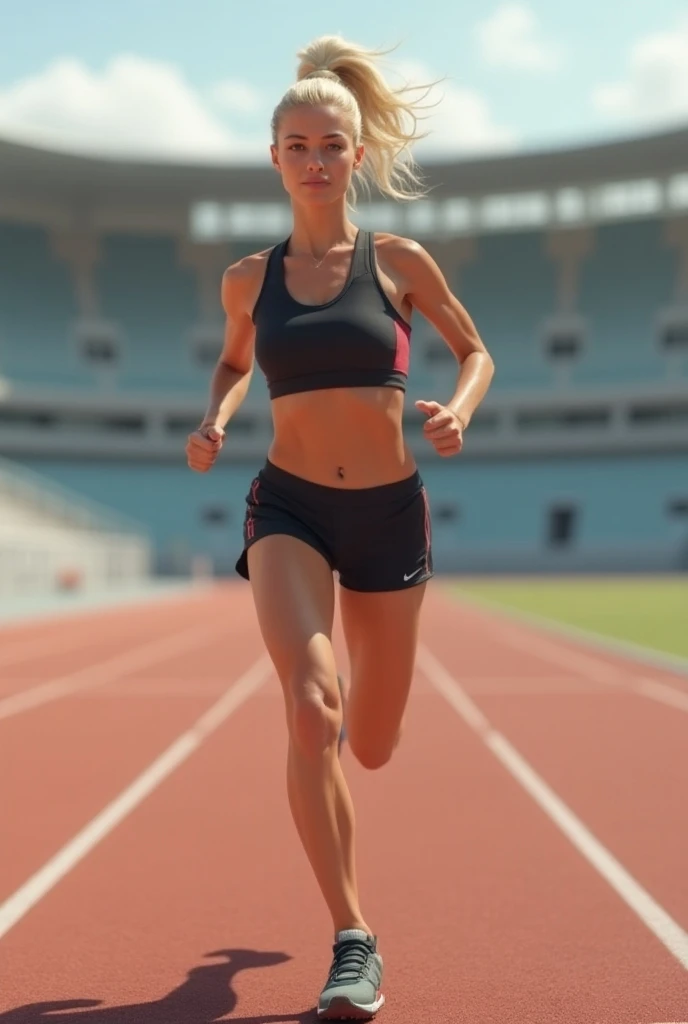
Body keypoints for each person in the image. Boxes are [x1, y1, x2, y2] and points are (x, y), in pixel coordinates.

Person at [186, 34, 494, 1020]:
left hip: (388, 516)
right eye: (296, 144)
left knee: (373, 742)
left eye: (331, 143)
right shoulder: (248, 278)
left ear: (354, 155)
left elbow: (475, 349)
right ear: (273, 158)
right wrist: (218, 416)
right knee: (312, 708)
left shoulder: (397, 259)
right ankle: (353, 938)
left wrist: (459, 408)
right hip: (288, 506)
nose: (314, 159)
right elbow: (235, 364)